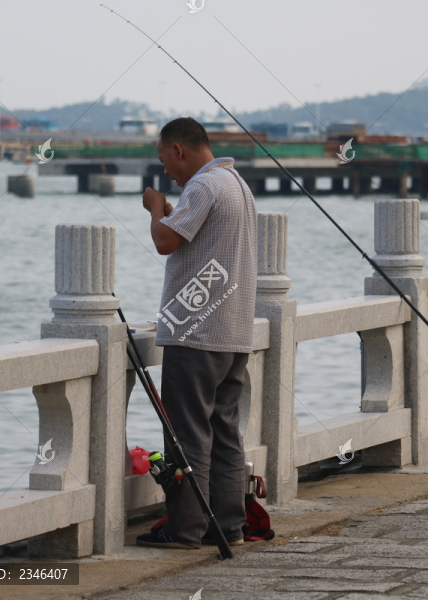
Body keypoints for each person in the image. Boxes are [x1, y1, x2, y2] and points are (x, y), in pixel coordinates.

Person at [136, 117, 257, 549]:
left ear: (179, 150)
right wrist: (171, 215)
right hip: (233, 329)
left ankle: (185, 530)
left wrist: (154, 208)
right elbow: (196, 236)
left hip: (195, 332)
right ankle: (228, 527)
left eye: (164, 158)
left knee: (187, 436)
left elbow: (165, 243)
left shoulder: (202, 187)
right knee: (225, 433)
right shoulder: (235, 183)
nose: (165, 169)